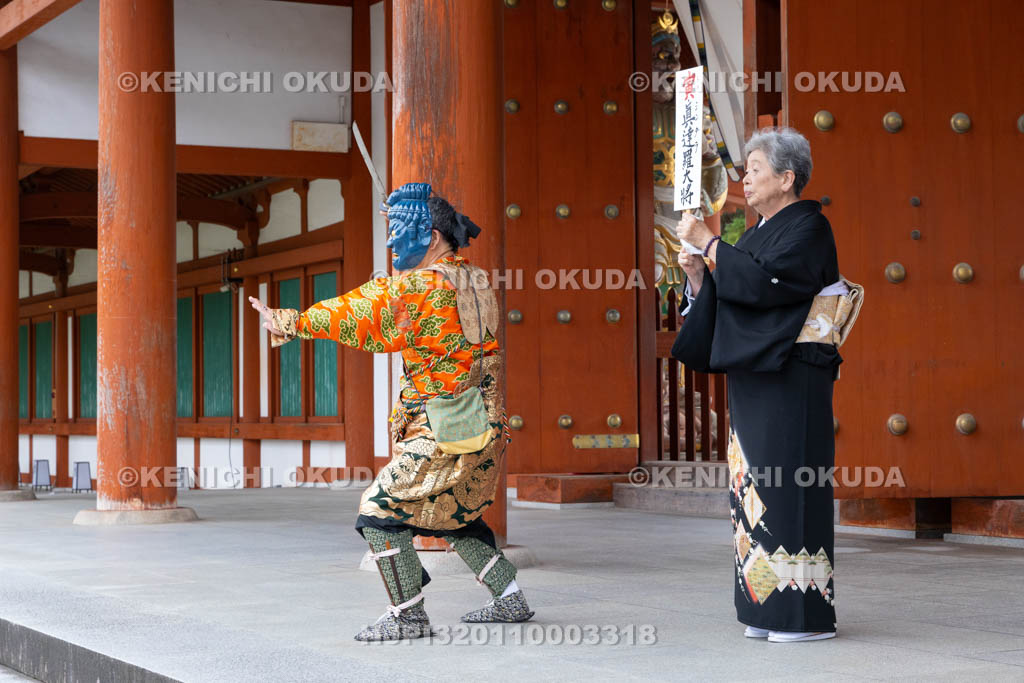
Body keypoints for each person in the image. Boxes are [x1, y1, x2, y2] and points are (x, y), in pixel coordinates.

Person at [250, 182, 533, 641]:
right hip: (486, 422)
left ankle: (408, 615)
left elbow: (362, 312)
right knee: (452, 511)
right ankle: (510, 597)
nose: (390, 241)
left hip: (444, 426)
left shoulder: (421, 287)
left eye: (399, 230)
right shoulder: (474, 278)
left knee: (379, 508)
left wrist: (291, 321)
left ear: (434, 237)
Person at [671, 127, 863, 643]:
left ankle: (802, 614)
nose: (745, 178)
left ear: (786, 177)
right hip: (757, 372)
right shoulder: (758, 232)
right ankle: (765, 607)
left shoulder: (809, 228)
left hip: (793, 372)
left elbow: (765, 286)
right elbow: (735, 292)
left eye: (755, 169)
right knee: (751, 489)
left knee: (788, 485)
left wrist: (712, 244)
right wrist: (697, 275)